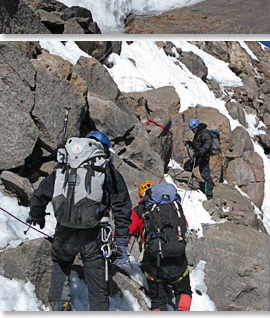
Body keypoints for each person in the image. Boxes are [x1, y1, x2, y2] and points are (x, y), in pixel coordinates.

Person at [26, 131, 132, 311]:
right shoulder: (107, 170)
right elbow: (122, 206)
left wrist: (37, 214)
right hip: (93, 233)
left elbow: (41, 193)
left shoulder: (65, 167)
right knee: (96, 279)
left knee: (61, 264)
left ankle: (59, 306)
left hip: (65, 230)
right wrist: (121, 240)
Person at [129, 181, 192, 311]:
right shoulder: (174, 207)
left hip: (154, 263)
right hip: (177, 260)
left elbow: (126, 229)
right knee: (184, 292)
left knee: (158, 300)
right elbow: (184, 225)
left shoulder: (141, 210)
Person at [188, 118, 215, 199]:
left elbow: (208, 142)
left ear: (196, 127)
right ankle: (188, 182)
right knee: (188, 166)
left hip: (203, 156)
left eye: (193, 129)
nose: (193, 131)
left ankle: (209, 195)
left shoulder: (204, 132)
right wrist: (190, 144)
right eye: (192, 130)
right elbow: (197, 144)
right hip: (199, 155)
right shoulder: (199, 133)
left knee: (205, 174)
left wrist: (202, 150)